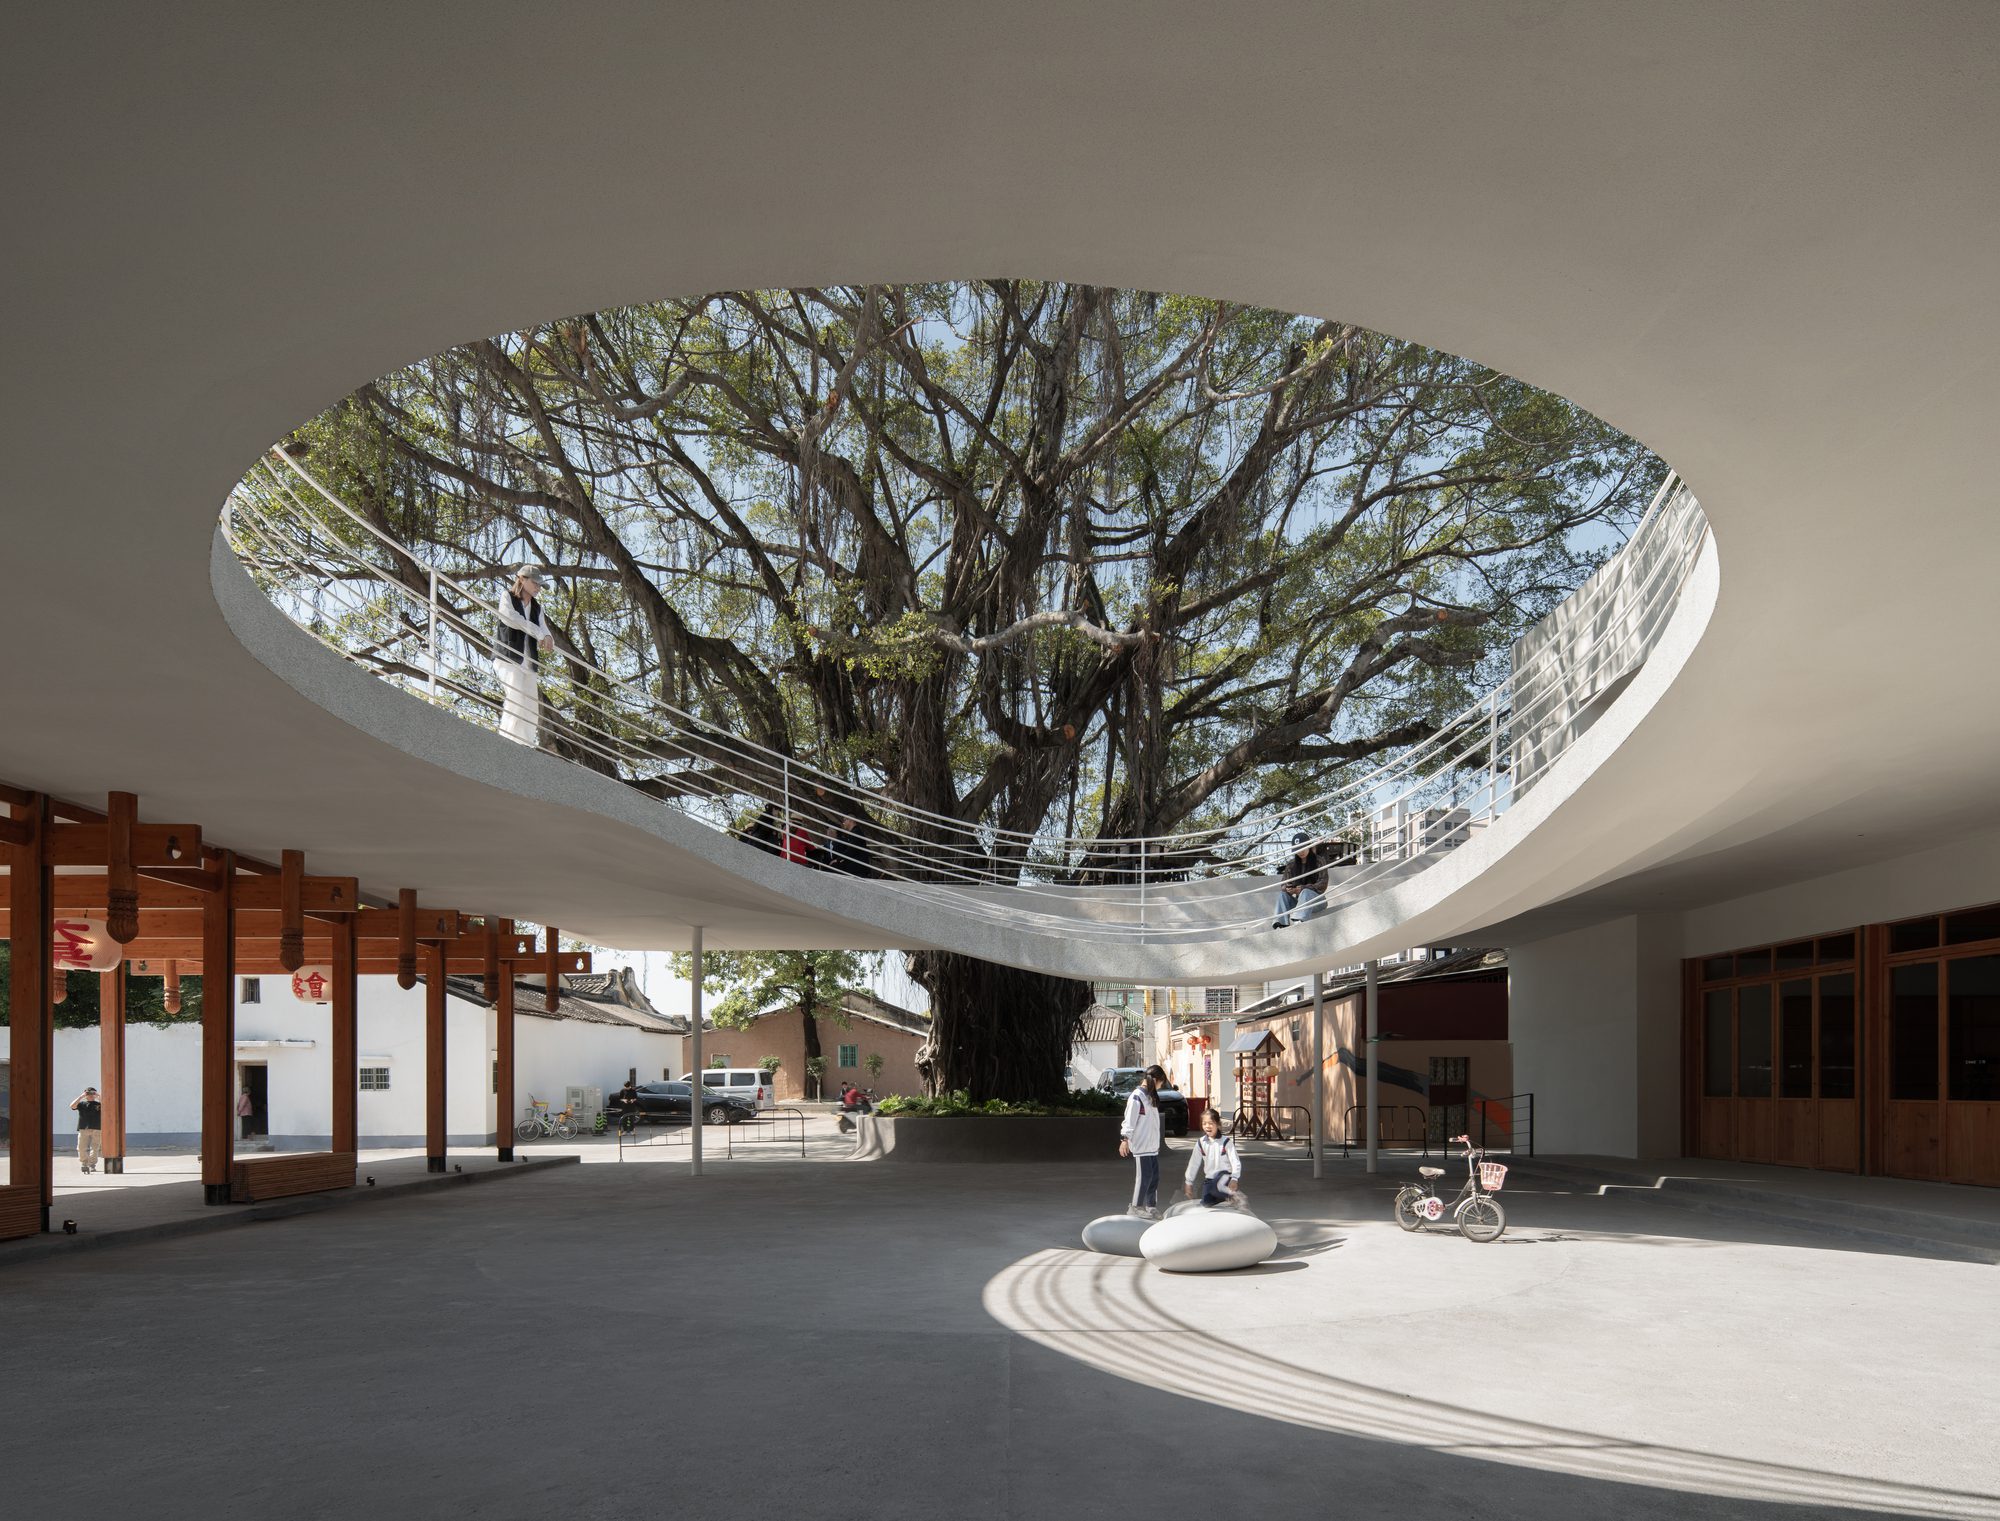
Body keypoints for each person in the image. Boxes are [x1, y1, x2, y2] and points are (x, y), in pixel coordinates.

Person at [493, 565, 553, 745]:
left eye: (540, 585)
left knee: (531, 707)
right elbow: (510, 618)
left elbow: (544, 629)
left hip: (529, 663)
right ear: (522, 579)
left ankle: (525, 745)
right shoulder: (507, 597)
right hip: (508, 658)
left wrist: (548, 636)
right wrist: (539, 633)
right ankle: (506, 742)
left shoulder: (537, 608)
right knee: (516, 698)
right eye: (535, 583)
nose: (538, 588)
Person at [1118, 1065, 1168, 1218]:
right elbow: (1130, 1120)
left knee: (1154, 1176)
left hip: (1151, 1146)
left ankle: (1151, 1206)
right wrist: (1124, 1139)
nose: (1160, 1087)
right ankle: (1135, 1206)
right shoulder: (1137, 1096)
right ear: (1155, 1080)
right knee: (1144, 1176)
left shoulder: (1150, 1097)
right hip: (1141, 1145)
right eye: (1161, 1083)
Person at [1183, 1104, 1247, 1209]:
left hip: (1225, 1177)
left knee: (1216, 1187)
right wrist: (1188, 1182)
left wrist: (1234, 1178)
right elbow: (1193, 1163)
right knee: (1206, 1202)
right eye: (1204, 1123)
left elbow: (1235, 1161)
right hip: (1210, 1179)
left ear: (1218, 1124)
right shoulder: (1200, 1143)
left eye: (1211, 1123)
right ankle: (1224, 1198)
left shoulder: (1226, 1142)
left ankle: (1235, 1196)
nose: (1207, 1126)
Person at [1273, 831, 1331, 928]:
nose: (1301, 852)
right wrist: (1288, 889)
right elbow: (1283, 883)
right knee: (1282, 895)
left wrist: (1303, 888)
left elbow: (1323, 884)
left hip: (1317, 901)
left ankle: (1299, 921)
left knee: (1306, 892)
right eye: (1298, 850)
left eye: (1303, 848)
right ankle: (1281, 924)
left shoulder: (1319, 861)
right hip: (1299, 901)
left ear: (1309, 846)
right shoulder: (1291, 865)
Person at [69, 1086, 103, 1174]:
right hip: (83, 1128)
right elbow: (72, 1106)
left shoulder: (99, 1104)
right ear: (86, 1094)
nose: (91, 1095)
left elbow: (108, 1107)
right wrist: (81, 1097)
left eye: (93, 1093)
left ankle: (91, 1164)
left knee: (95, 1148)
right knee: (81, 1147)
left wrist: (99, 1096)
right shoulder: (82, 1104)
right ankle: (84, 1163)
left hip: (97, 1128)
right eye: (89, 1093)